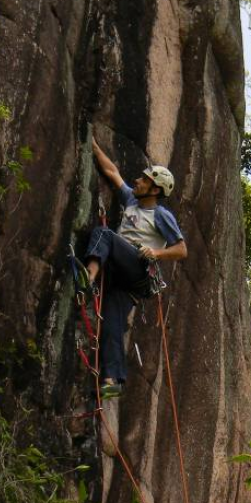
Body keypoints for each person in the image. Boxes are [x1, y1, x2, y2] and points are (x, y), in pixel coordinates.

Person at [78, 139, 188, 398]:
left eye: (144, 180)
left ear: (154, 190)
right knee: (111, 325)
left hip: (138, 268)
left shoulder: (161, 215)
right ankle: (111, 381)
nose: (137, 181)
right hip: (122, 274)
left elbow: (182, 249)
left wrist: (157, 252)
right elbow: (113, 172)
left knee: (103, 234)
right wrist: (94, 145)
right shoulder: (130, 199)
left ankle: (88, 277)